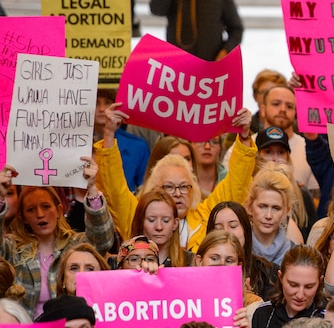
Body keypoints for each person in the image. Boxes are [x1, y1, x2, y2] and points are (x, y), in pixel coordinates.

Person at [94, 103, 258, 252]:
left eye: (184, 187)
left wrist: (244, 136)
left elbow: (236, 183)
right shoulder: (138, 217)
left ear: (193, 189)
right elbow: (114, 189)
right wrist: (108, 133)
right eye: (169, 187)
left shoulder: (207, 216)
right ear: (155, 190)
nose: (178, 194)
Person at [0, 160, 115, 318]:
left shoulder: (75, 245)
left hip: (70, 326)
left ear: (59, 211)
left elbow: (102, 240)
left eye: (46, 206)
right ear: (22, 217)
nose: (40, 214)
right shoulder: (12, 248)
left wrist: (91, 189)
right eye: (31, 209)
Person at [251, 245, 325, 328]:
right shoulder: (263, 314)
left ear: (320, 282)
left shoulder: (326, 317)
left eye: (309, 287)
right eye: (293, 285)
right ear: (280, 277)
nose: (300, 295)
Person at [131, 190, 188, 268]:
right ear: (140, 222)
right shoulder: (126, 261)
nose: (159, 227)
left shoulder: (190, 261)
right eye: (151, 220)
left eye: (165, 220)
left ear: (175, 224)